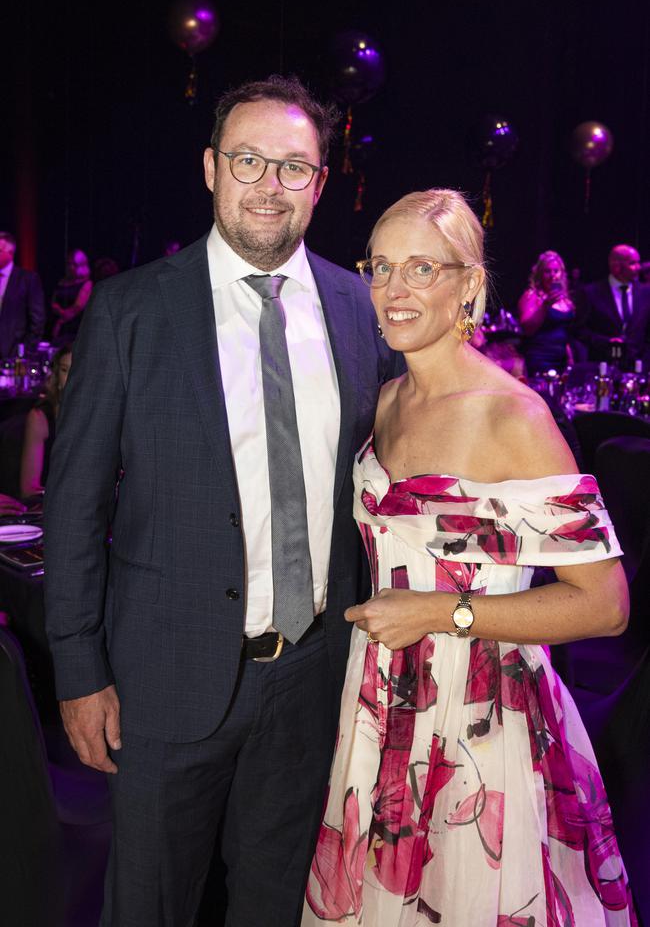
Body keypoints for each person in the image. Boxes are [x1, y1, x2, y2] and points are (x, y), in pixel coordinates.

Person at [43, 75, 401, 927]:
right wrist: (79, 669)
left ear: (319, 183)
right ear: (210, 168)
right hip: (162, 681)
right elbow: (75, 506)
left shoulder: (360, 310)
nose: (268, 185)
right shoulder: (132, 309)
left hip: (314, 677)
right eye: (248, 160)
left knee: (278, 904)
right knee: (152, 906)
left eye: (293, 167)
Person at [302, 189, 637, 926]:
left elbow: (606, 605)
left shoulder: (513, 415)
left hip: (480, 711)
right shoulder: (386, 399)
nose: (393, 290)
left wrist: (436, 611)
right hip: (379, 700)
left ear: (470, 284)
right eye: (380, 267)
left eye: (421, 268)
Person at [575, 244, 650, 367]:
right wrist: (606, 342)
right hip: (602, 365)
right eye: (632, 263)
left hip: (638, 366)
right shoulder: (591, 293)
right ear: (616, 266)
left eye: (638, 263)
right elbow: (579, 330)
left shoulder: (646, 293)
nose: (638, 268)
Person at [20, 346, 71, 500]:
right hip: (51, 507)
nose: (72, 377)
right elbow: (29, 489)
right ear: (56, 377)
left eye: (78, 370)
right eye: (65, 370)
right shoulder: (40, 417)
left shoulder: (101, 416)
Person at [518, 250, 575, 376]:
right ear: (540, 274)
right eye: (547, 271)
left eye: (556, 271)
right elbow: (527, 328)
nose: (552, 275)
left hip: (562, 359)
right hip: (540, 358)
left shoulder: (564, 299)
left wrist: (570, 356)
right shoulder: (532, 296)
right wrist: (545, 306)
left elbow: (564, 330)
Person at [0, 231, 46, 358]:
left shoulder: (27, 279)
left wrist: (27, 350)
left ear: (10, 253)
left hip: (14, 352)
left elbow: (37, 319)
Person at [50, 247, 93, 343]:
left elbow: (77, 307)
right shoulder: (62, 281)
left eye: (73, 264)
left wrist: (61, 321)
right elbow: (54, 302)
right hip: (59, 326)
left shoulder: (86, 284)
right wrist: (58, 312)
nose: (70, 267)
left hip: (74, 329)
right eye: (68, 264)